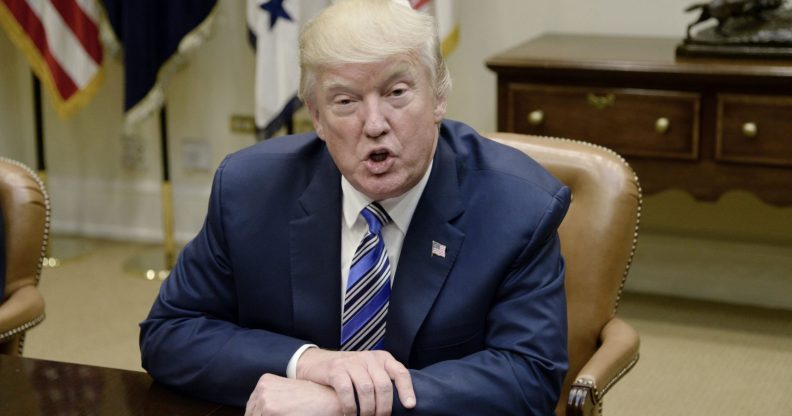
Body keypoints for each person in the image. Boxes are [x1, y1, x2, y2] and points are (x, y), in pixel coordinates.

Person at [139, 0, 570, 414]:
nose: (375, 125)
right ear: (317, 117)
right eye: (345, 101)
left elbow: (528, 377)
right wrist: (310, 363)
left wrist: (344, 403)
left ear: (439, 97)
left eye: (397, 93)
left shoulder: (519, 207)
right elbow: (169, 332)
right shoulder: (249, 190)